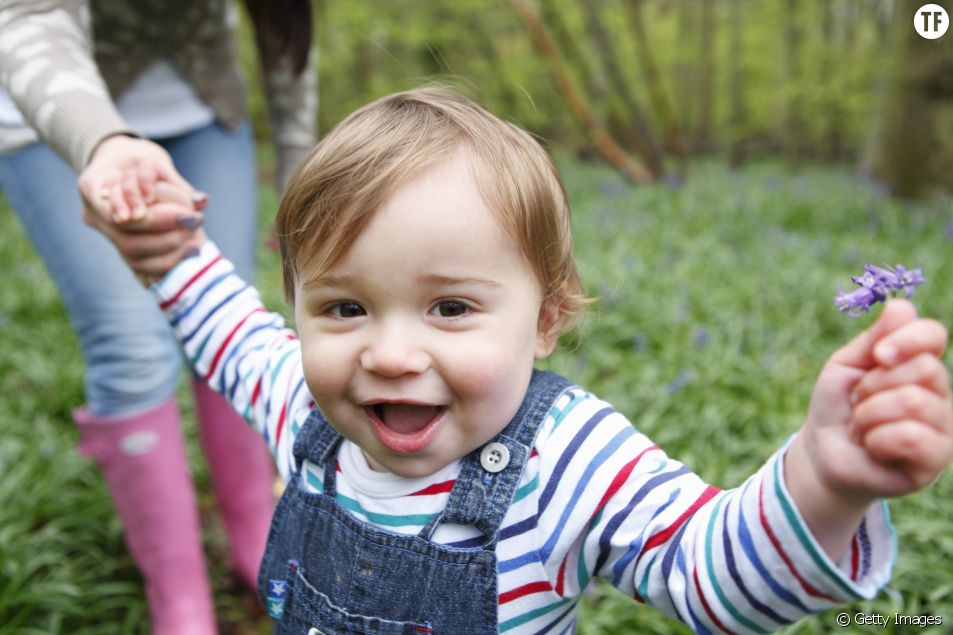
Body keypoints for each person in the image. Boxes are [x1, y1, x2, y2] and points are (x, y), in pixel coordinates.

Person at [92, 87, 951, 634]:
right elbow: (229, 329)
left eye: (451, 308)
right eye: (344, 307)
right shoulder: (304, 406)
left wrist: (827, 485)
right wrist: (166, 251)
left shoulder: (569, 461)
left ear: (543, 319)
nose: (389, 354)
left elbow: (712, 580)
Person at [0, 1, 315, 633]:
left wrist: (297, 162)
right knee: (132, 349)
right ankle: (179, 599)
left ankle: (258, 546)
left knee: (228, 327)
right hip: (50, 113)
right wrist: (104, 142)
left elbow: (285, 23)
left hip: (203, 108)